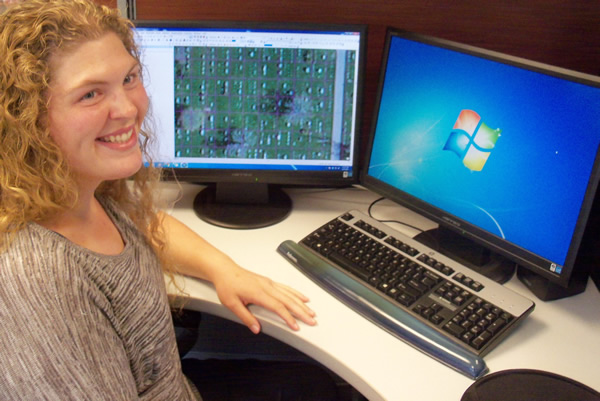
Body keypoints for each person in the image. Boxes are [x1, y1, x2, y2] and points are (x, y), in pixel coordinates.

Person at [0, 1, 338, 399]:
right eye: (91, 94)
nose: (128, 109)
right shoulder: (40, 277)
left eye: (129, 78)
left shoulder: (76, 189)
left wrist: (223, 269)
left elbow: (143, 220)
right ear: (27, 118)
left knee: (313, 385)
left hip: (174, 385)